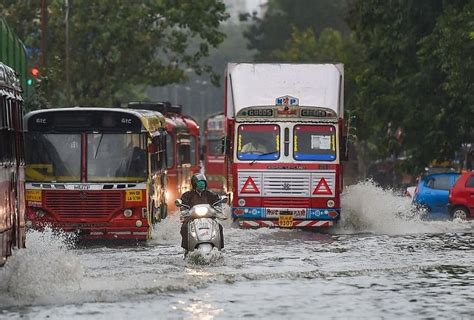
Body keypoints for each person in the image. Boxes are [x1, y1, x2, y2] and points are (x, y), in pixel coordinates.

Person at [179, 173, 224, 251]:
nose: (202, 185)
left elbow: (217, 201)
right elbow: (183, 204)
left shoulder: (209, 194)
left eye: (203, 183)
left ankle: (219, 248)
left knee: (219, 227)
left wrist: (219, 206)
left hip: (208, 218)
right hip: (192, 219)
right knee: (184, 227)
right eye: (199, 183)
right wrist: (184, 210)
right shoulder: (187, 195)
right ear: (194, 184)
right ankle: (187, 249)